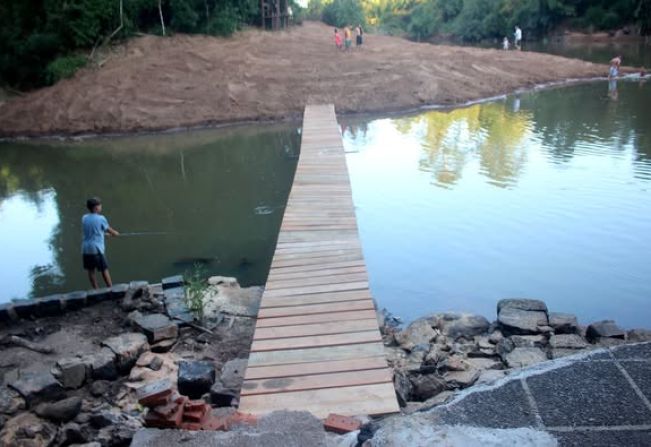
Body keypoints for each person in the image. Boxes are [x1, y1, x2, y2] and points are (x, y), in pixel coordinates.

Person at [82, 197, 119, 289]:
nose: (101, 206)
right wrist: (115, 233)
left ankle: (95, 290)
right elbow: (109, 230)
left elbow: (92, 230)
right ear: (96, 208)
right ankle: (110, 288)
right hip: (96, 249)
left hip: (86, 249)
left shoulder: (84, 218)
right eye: (99, 205)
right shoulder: (101, 218)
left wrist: (103, 234)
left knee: (91, 271)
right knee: (104, 269)